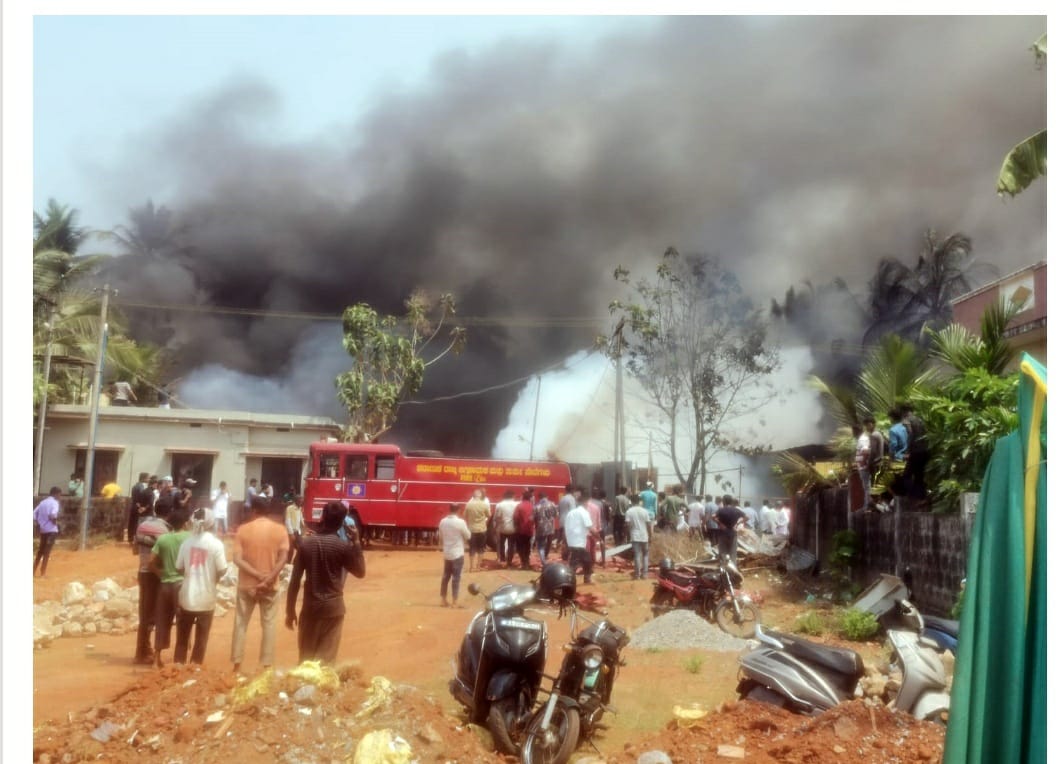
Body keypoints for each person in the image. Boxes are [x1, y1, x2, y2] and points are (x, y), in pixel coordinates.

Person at [285, 501, 366, 663]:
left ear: (322, 517)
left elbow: (294, 581)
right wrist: (356, 542)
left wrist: (290, 610)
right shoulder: (342, 547)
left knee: (306, 661)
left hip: (311, 608)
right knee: (326, 663)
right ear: (342, 522)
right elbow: (360, 572)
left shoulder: (306, 545)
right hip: (333, 609)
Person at [231, 495, 290, 675]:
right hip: (270, 585)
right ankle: (266, 665)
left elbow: (237, 559)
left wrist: (256, 575)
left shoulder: (243, 530)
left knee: (241, 623)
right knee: (269, 624)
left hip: (247, 585)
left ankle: (237, 664)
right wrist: (268, 578)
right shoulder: (280, 530)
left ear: (254, 510)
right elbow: (283, 558)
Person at [174, 508, 227, 664]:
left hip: (186, 596)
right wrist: (213, 578)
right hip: (206, 597)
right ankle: (195, 666)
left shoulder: (186, 543)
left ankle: (178, 665)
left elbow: (178, 567)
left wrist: (191, 572)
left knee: (182, 638)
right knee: (201, 639)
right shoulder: (216, 544)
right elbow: (222, 569)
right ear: (211, 523)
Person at [149, 507, 191, 667]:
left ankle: (156, 658)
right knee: (183, 622)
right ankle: (180, 660)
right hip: (182, 584)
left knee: (162, 622)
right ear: (185, 523)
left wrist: (160, 574)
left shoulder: (163, 539)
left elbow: (151, 562)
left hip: (165, 584)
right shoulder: (189, 537)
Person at [133, 507, 170, 665]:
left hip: (142, 572)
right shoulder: (165, 530)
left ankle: (141, 651)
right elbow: (163, 553)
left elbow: (135, 550)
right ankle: (146, 653)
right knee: (156, 615)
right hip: (156, 574)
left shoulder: (142, 525)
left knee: (144, 614)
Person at [437, 502, 471, 607]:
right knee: (456, 577)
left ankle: (443, 600)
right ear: (458, 510)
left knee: (445, 576)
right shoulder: (461, 522)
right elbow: (468, 536)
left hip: (447, 553)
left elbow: (441, 537)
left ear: (450, 509)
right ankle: (454, 601)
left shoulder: (443, 522)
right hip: (457, 553)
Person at [564, 495, 597, 585]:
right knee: (585, 561)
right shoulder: (584, 512)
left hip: (571, 541)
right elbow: (590, 527)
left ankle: (573, 579)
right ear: (585, 502)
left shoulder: (570, 513)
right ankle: (580, 579)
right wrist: (598, 537)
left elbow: (566, 527)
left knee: (578, 560)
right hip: (579, 542)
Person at [901, 403, 930, 503]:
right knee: (919, 476)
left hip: (915, 451)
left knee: (906, 475)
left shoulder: (906, 420)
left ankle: (912, 497)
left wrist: (907, 451)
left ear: (903, 412)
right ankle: (922, 498)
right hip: (924, 451)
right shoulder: (920, 420)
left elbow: (910, 434)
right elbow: (926, 434)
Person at [33, 487, 63, 577]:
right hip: (51, 530)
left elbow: (34, 513)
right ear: (56, 494)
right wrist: (55, 523)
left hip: (43, 529)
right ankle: (43, 573)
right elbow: (53, 514)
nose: (60, 497)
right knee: (47, 551)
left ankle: (33, 570)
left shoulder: (42, 502)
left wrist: (38, 522)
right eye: (60, 494)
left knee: (40, 551)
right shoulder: (55, 503)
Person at [624, 495, 653, 580]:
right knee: (645, 555)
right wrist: (650, 535)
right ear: (639, 501)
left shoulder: (629, 511)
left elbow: (627, 525)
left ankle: (637, 575)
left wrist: (627, 535)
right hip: (644, 535)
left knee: (637, 555)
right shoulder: (645, 511)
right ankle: (645, 574)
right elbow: (649, 525)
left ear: (631, 501)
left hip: (635, 535)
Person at [464, 488, 491, 572]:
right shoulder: (484, 504)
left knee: (472, 548)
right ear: (480, 495)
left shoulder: (468, 504)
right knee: (481, 548)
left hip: (471, 529)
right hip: (482, 529)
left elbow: (465, 515)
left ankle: (471, 567)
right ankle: (478, 567)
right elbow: (489, 515)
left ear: (473, 495)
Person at [715, 495, 745, 563]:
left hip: (722, 533)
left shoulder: (721, 510)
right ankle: (732, 566)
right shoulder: (736, 510)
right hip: (733, 533)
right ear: (731, 502)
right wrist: (737, 524)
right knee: (733, 553)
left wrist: (720, 524)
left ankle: (723, 566)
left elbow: (713, 516)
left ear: (724, 501)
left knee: (723, 552)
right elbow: (746, 517)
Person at [493, 490, 518, 567]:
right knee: (511, 545)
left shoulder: (499, 505)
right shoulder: (516, 504)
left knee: (501, 545)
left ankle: (503, 560)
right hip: (513, 528)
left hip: (502, 528)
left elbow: (496, 518)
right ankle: (509, 561)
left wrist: (495, 527)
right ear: (513, 496)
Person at [128, 472, 153, 546]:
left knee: (132, 523)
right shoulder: (142, 487)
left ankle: (130, 539)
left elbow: (134, 498)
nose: (149, 480)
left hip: (133, 506)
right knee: (138, 524)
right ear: (144, 478)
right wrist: (142, 507)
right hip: (139, 508)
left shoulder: (135, 486)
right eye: (148, 478)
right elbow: (141, 498)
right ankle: (136, 540)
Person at [533, 491, 557, 567]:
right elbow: (556, 515)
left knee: (541, 545)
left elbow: (533, 518)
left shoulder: (536, 506)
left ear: (539, 497)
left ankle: (543, 561)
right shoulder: (552, 504)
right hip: (550, 527)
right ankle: (546, 555)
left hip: (540, 528)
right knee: (549, 543)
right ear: (547, 497)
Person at [513, 489, 536, 570]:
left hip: (520, 530)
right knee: (527, 546)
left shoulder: (519, 506)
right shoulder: (533, 506)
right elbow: (535, 518)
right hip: (529, 530)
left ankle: (524, 562)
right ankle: (527, 562)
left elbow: (515, 518)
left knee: (520, 547)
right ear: (530, 498)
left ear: (523, 497)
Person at [284, 494, 308, 564]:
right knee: (291, 549)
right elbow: (287, 521)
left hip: (297, 532)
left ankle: (295, 562)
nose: (302, 502)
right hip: (291, 532)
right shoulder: (289, 508)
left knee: (301, 547)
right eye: (300, 500)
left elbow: (301, 517)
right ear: (296, 501)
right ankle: (288, 563)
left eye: (302, 500)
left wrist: (305, 526)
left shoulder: (299, 508)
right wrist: (291, 533)